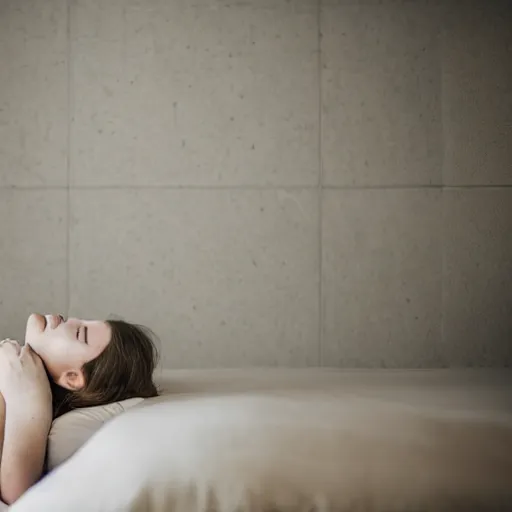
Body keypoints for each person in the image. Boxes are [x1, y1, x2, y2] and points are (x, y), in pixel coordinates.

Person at [0, 313, 159, 505]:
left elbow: (17, 492)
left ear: (72, 378)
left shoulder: (25, 399)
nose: (70, 318)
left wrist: (30, 400)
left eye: (78, 333)